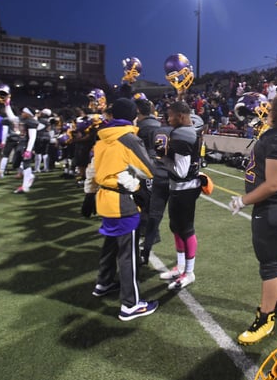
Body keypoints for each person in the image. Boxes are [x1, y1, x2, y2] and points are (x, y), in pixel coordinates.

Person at [228, 92, 277, 345]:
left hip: (273, 206)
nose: (267, 111)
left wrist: (243, 200)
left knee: (270, 263)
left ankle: (265, 318)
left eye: (272, 108)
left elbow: (273, 184)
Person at [87, 98, 158, 321]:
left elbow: (95, 168)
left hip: (103, 198)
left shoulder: (102, 138)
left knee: (110, 245)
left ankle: (103, 282)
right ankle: (130, 304)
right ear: (132, 115)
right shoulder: (129, 138)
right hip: (122, 199)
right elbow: (148, 169)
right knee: (128, 254)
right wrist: (134, 173)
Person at [158, 101, 204, 290]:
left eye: (171, 115)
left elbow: (181, 170)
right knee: (176, 227)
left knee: (186, 229)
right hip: (180, 187)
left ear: (182, 116)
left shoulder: (183, 133)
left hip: (185, 187)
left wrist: (162, 158)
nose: (168, 119)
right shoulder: (187, 130)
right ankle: (181, 266)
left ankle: (189, 272)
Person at [134, 98, 166, 265]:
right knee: (151, 201)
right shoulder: (158, 125)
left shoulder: (142, 127)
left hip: (147, 166)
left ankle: (150, 234)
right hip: (158, 166)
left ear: (139, 111)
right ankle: (151, 232)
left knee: (145, 201)